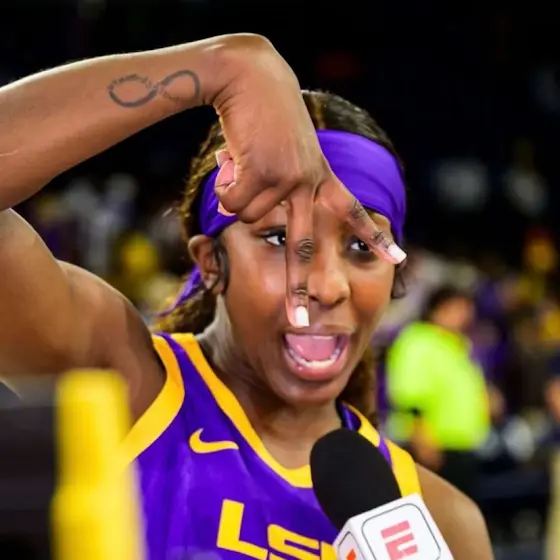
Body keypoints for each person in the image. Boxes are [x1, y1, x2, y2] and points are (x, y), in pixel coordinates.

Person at [0, 34, 492, 559]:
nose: (327, 285)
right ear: (212, 262)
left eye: (360, 246)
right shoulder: (120, 377)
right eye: (279, 238)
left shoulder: (443, 522)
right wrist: (223, 67)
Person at [386, 286, 492, 498]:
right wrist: (421, 435)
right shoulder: (418, 340)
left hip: (462, 445)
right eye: (456, 309)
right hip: (433, 445)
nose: (463, 316)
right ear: (437, 309)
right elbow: (408, 393)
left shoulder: (458, 344)